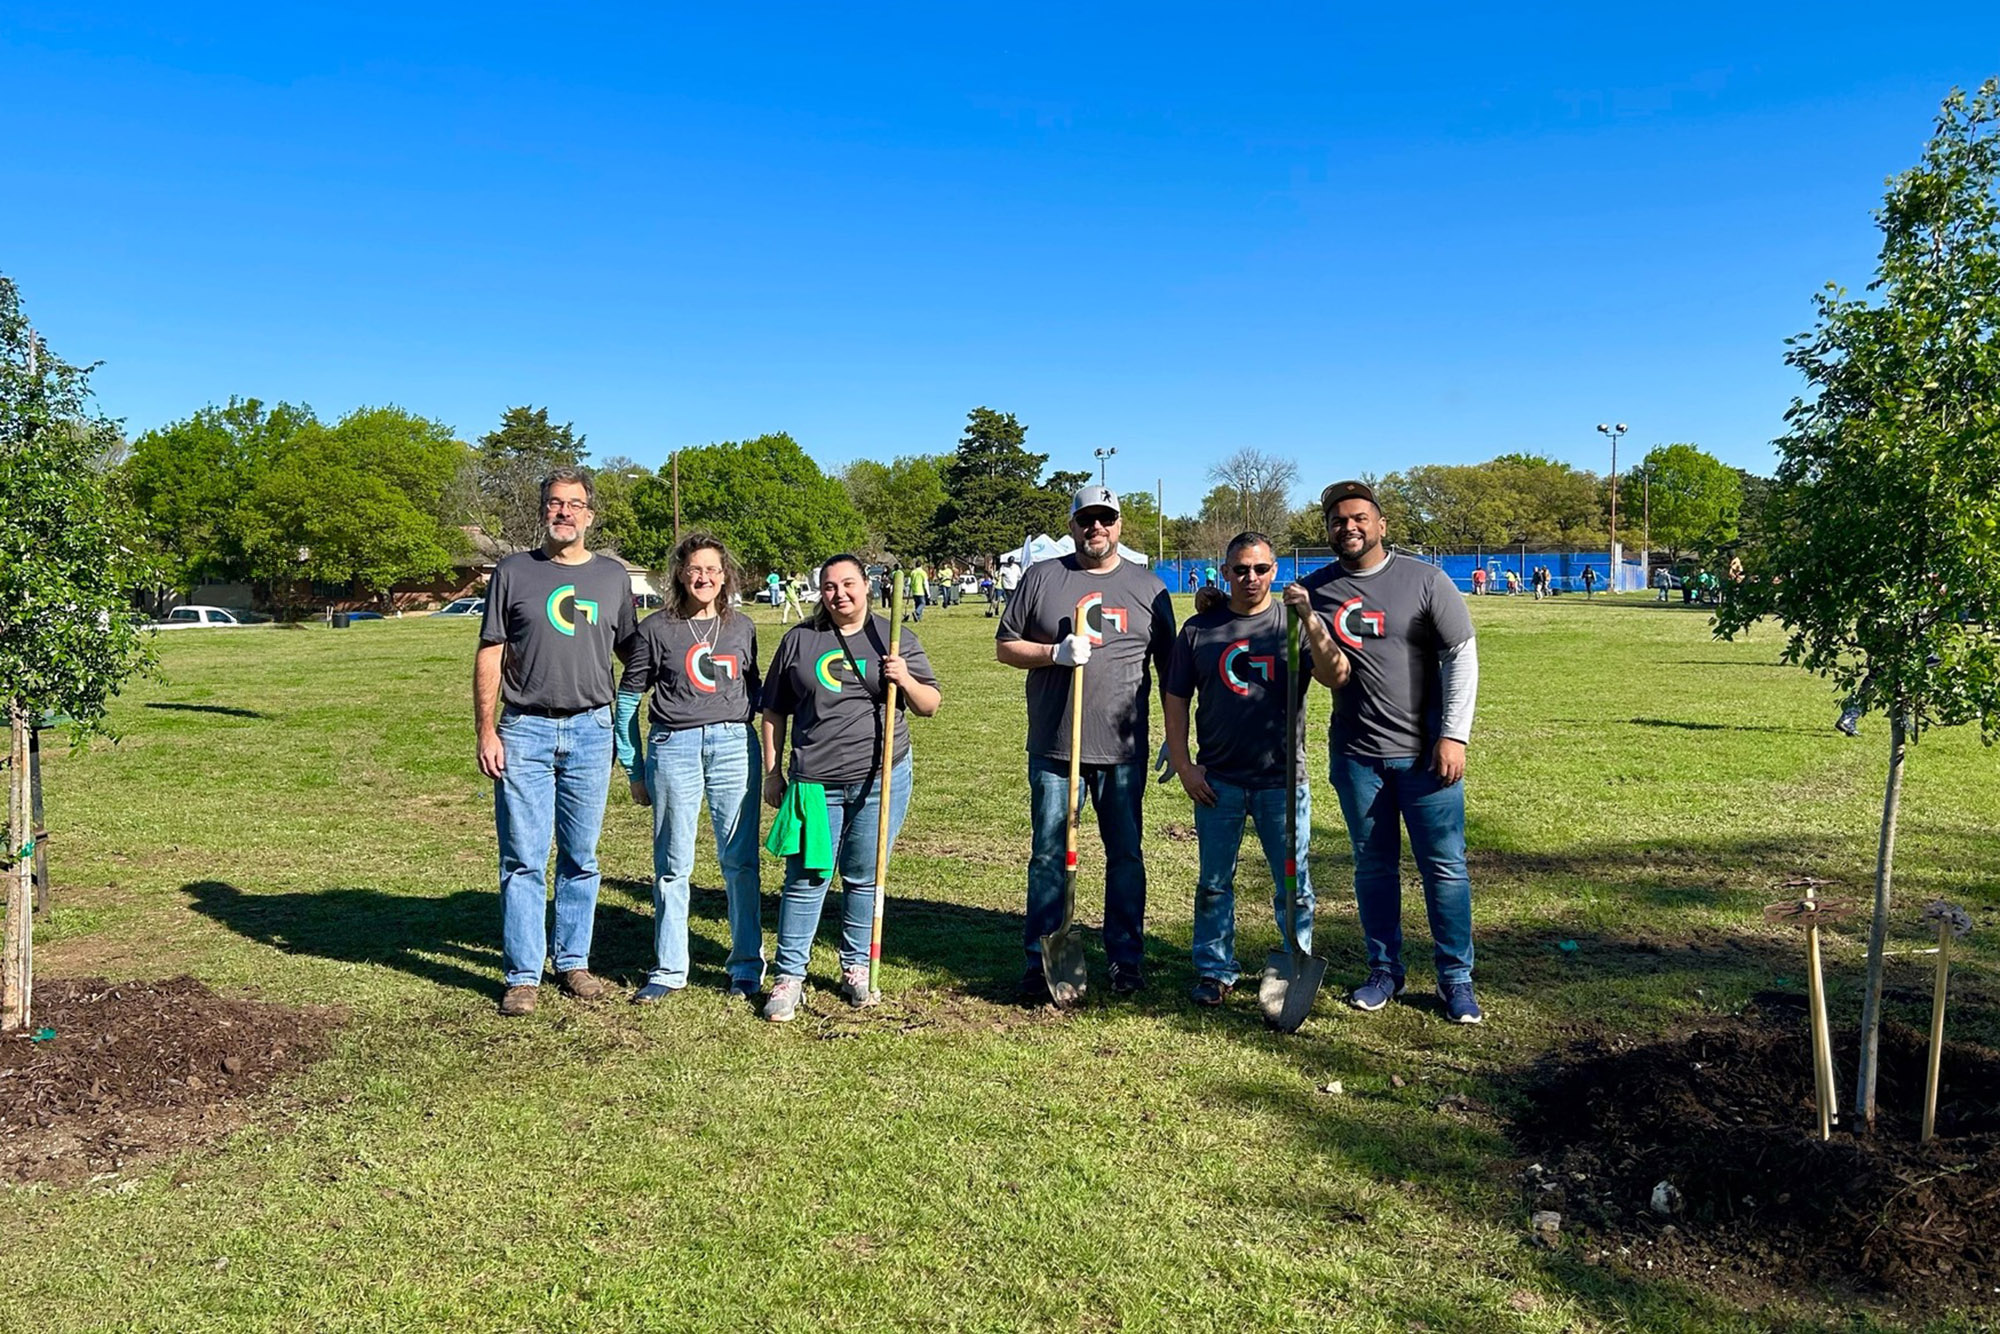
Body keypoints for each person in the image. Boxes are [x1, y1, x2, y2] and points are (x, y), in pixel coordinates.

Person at [1286, 480, 1484, 1025]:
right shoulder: (1314, 590)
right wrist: (1212, 601)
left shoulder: (1425, 580)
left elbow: (1461, 655)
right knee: (1373, 867)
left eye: (1358, 518)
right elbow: (1265, 627)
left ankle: (1456, 980)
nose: (1348, 527)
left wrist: (1454, 734)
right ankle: (1383, 970)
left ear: (1381, 524)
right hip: (1357, 755)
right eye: (1336, 520)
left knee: (1444, 867)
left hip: (1426, 756)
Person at [997, 485, 1176, 1001]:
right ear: (1073, 524)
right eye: (1086, 520)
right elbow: (1006, 646)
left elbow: (1170, 671)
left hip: (1123, 750)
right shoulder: (1042, 578)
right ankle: (1043, 955)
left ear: (1120, 524)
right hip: (1057, 748)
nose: (1096, 528)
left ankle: (1126, 959)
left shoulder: (1149, 588)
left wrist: (1172, 733)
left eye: (1106, 519)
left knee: (1125, 855)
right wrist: (1054, 652)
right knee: (1049, 855)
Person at [475, 468, 640, 1016]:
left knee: (581, 855)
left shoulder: (613, 578)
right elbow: (491, 650)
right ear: (542, 511)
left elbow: (634, 654)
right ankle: (523, 975)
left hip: (592, 729)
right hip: (524, 729)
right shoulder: (513, 571)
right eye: (554, 503)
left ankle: (573, 962)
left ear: (590, 514)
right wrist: (486, 728)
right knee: (523, 857)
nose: (564, 512)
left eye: (574, 504)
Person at [759, 555, 942, 1021]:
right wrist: (772, 771)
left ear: (866, 585)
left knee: (864, 877)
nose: (839, 594)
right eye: (829, 586)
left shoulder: (892, 635)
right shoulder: (800, 640)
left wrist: (904, 678)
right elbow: (774, 711)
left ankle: (856, 965)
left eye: (848, 584)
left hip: (880, 779)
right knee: (808, 878)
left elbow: (930, 705)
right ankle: (789, 976)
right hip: (814, 784)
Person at [614, 533, 765, 1004]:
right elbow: (626, 700)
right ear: (680, 573)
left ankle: (745, 965)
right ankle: (669, 968)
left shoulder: (743, 627)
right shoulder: (656, 628)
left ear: (726, 577)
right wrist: (633, 766)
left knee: (739, 861)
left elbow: (757, 694)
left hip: (734, 745)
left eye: (714, 570)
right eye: (696, 569)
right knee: (672, 864)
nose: (705, 577)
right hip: (674, 746)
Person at [1163, 531, 1312, 1006]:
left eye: (1261, 569)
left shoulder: (1294, 623)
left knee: (1293, 884)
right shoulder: (1199, 629)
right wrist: (1184, 764)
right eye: (1240, 569)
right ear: (1223, 572)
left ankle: (1297, 961)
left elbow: (1334, 674)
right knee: (1213, 883)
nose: (1251, 578)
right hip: (1219, 781)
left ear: (1276, 570)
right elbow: (1175, 697)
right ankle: (1214, 969)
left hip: (1283, 781)